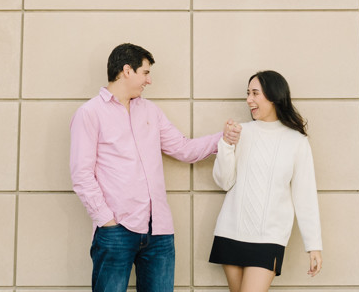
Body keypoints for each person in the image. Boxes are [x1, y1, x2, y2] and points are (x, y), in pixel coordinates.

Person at [70, 43, 240, 292]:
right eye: (146, 73)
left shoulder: (151, 111)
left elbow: (184, 149)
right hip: (116, 231)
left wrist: (222, 139)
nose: (149, 81)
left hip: (159, 231)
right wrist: (106, 220)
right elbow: (81, 174)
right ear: (127, 71)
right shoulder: (89, 113)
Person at [209, 70, 322, 289]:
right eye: (248, 93)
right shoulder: (242, 132)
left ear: (273, 96)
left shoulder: (296, 141)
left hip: (269, 239)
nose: (249, 100)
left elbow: (305, 196)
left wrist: (314, 245)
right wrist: (226, 145)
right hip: (230, 232)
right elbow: (224, 182)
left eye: (255, 93)